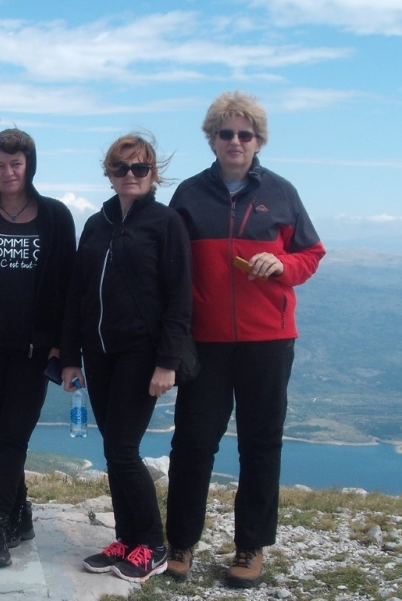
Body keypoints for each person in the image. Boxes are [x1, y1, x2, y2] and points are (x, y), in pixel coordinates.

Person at [164, 91, 325, 587]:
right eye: (225, 133)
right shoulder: (189, 195)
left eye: (245, 134)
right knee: (193, 442)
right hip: (206, 341)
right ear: (212, 139)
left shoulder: (281, 193)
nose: (235, 141)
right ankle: (182, 542)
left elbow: (311, 253)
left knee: (260, 444)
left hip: (268, 340)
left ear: (259, 141)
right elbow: (171, 265)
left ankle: (250, 547)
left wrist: (283, 264)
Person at [59, 133, 192, 582]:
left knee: (122, 448)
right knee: (113, 451)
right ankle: (126, 540)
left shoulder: (165, 223)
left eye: (140, 168)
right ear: (109, 173)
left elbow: (179, 297)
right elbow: (77, 294)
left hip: (142, 353)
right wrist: (70, 357)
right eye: (122, 168)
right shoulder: (97, 224)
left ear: (154, 173)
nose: (130, 175)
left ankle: (153, 545)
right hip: (99, 353)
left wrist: (167, 361)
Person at [0, 127, 76, 568]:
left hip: (34, 350)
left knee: (12, 437)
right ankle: (21, 514)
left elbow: (68, 288)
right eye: (0, 164)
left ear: (30, 165)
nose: (8, 172)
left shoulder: (55, 217)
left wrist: (63, 347)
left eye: (16, 163)